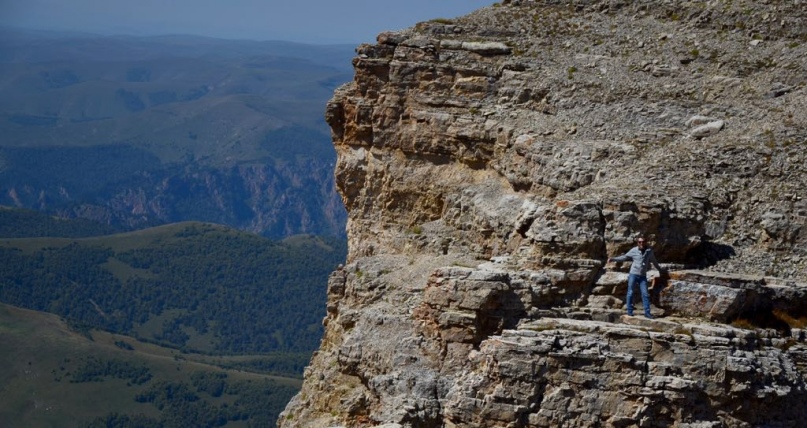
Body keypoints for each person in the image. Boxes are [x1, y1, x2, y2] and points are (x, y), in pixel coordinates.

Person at [608, 236, 666, 319]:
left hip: (642, 276)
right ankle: (630, 311)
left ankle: (647, 313)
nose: (641, 243)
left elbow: (654, 262)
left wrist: (660, 270)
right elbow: (624, 257)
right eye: (639, 242)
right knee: (630, 292)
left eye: (643, 241)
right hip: (633, 274)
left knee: (645, 294)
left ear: (646, 242)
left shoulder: (649, 251)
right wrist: (613, 259)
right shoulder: (634, 250)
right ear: (637, 243)